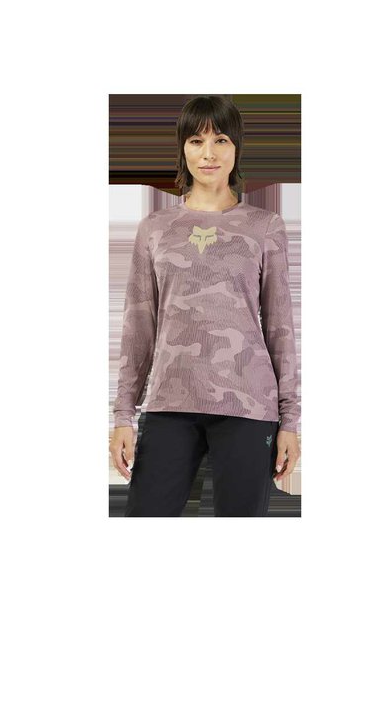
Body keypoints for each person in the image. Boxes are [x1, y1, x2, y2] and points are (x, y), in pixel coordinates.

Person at [110, 95, 301, 516]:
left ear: (237, 148)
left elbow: (281, 326)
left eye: (221, 140)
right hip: (169, 402)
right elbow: (138, 325)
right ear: (183, 148)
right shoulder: (155, 228)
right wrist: (123, 413)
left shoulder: (264, 227)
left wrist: (291, 420)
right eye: (196, 141)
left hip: (248, 405)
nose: (208, 153)